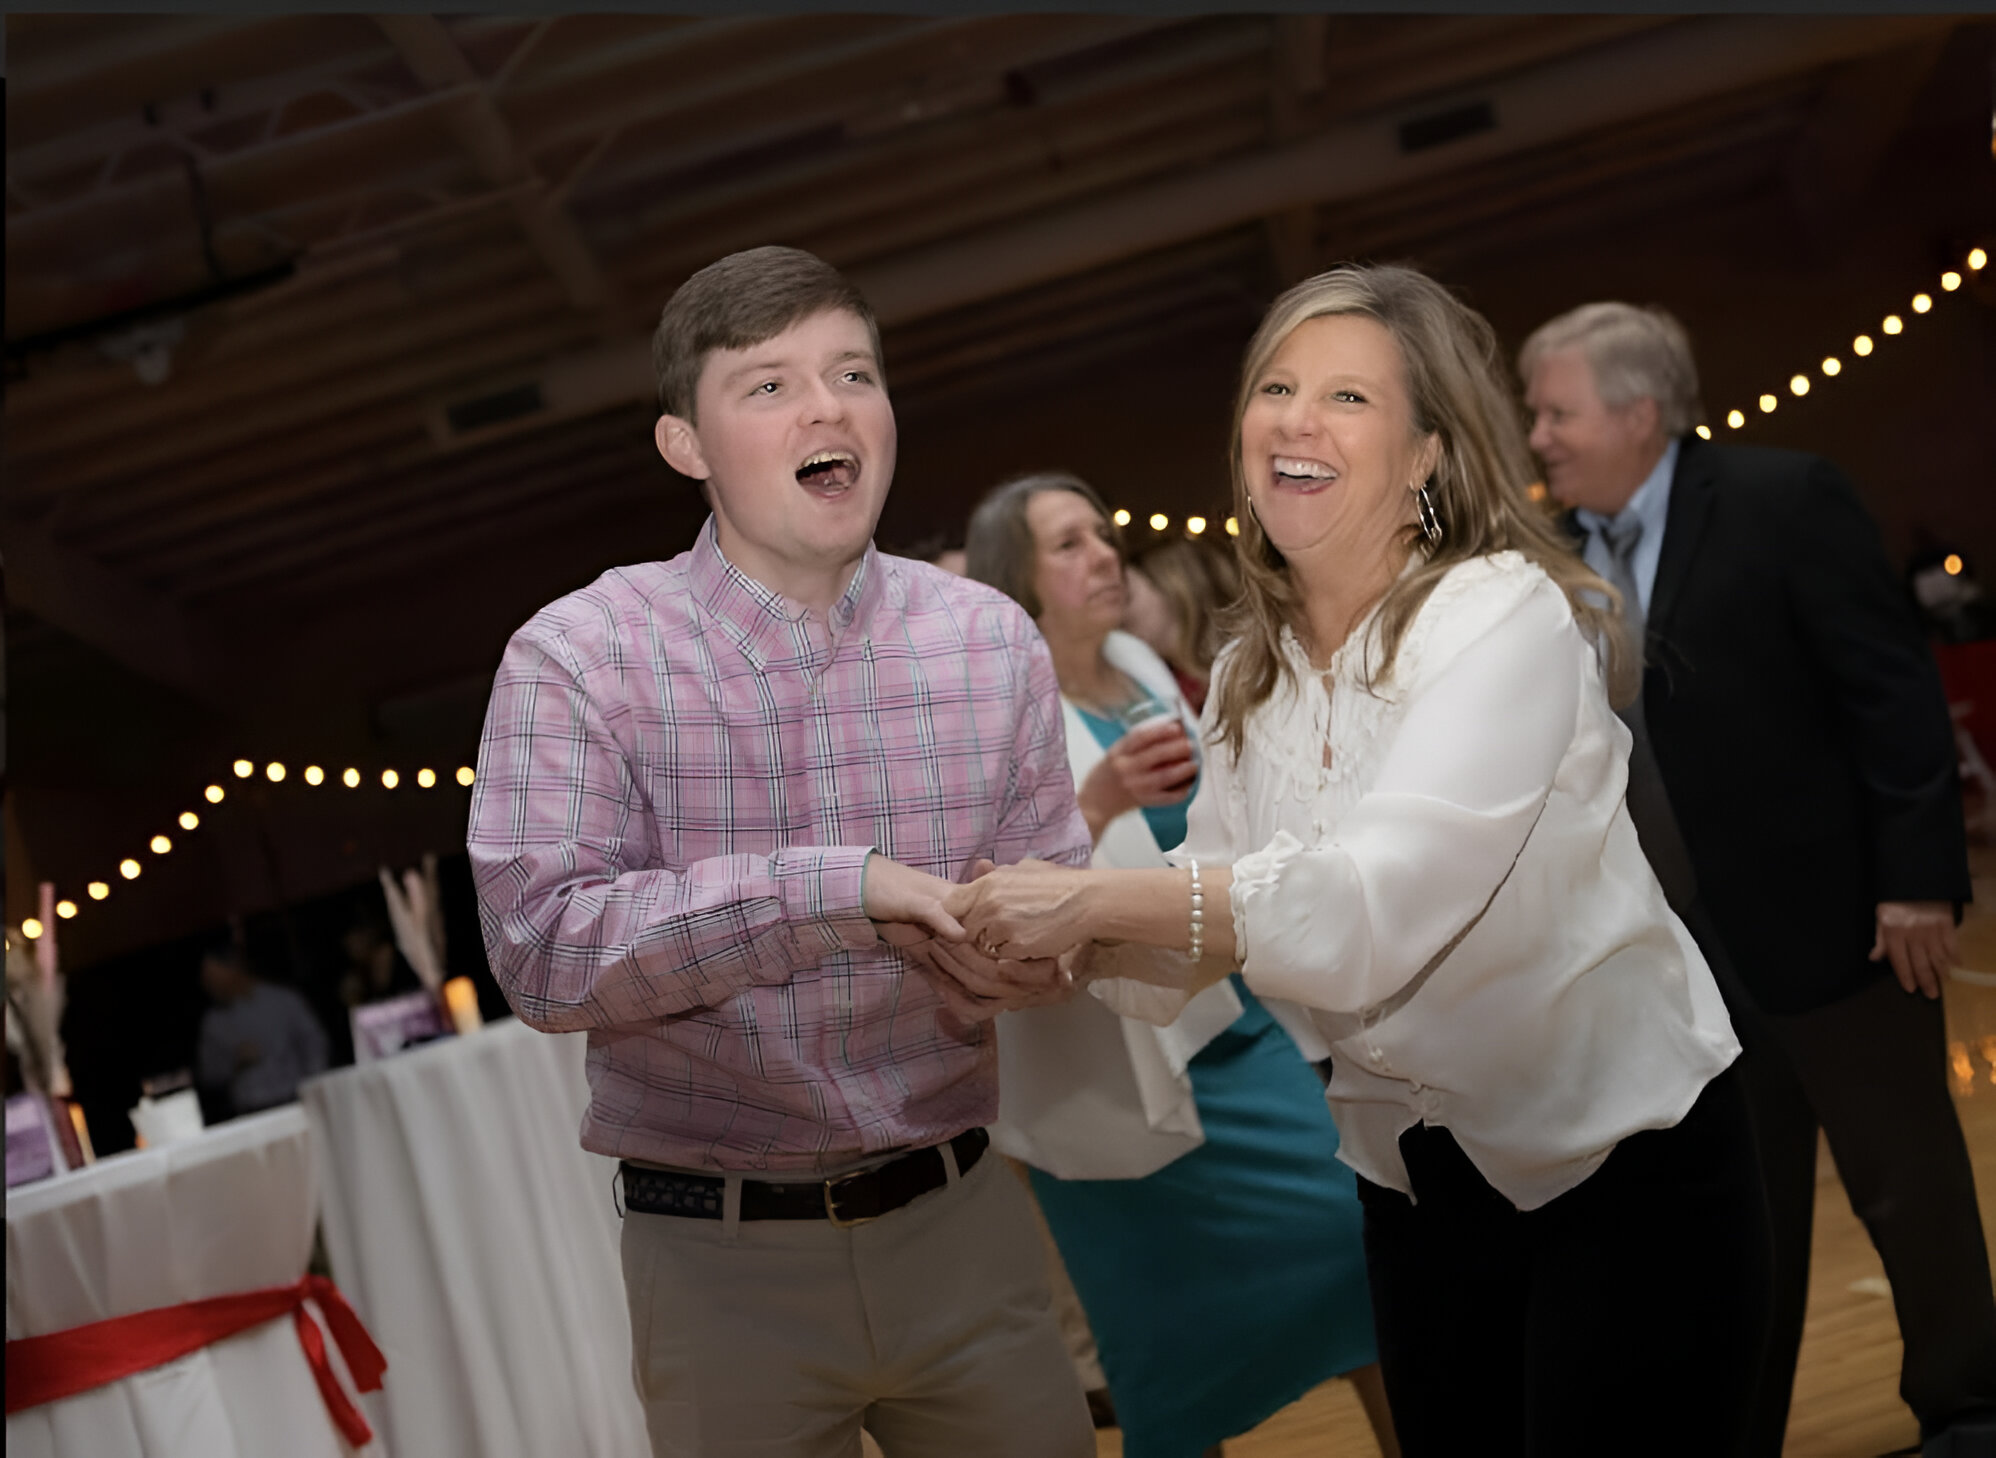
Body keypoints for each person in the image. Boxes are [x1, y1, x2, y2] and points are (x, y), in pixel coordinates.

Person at [946, 263, 1773, 1457]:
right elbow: (1205, 933)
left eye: (1346, 398)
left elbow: (1372, 907)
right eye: (1275, 386)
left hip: (1624, 1158)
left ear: (1425, 456)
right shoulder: (1246, 674)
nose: (1293, 416)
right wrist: (1038, 956)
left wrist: (1083, 897)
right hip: (1417, 1187)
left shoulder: (1499, 617)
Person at [467, 246, 1095, 1458]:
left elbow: (1051, 900)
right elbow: (543, 952)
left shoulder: (988, 642)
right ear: (683, 446)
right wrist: (829, 892)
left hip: (962, 1221)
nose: (827, 407)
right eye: (768, 386)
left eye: (853, 372)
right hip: (717, 1262)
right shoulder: (579, 658)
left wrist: (1031, 959)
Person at [1520, 301, 1996, 1458]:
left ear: (1638, 412)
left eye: (1553, 410)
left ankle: (1969, 1408)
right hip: (1677, 961)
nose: (1535, 435)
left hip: (1840, 928)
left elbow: (1887, 696)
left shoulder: (1783, 498)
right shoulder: (1560, 565)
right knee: (1741, 1218)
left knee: (1905, 1180)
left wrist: (1917, 884)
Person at [965, 472, 1394, 1458]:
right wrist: (1101, 800)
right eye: (1068, 544)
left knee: (1359, 1254)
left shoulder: (1138, 664)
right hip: (1109, 1074)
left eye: (1100, 534)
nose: (1104, 554)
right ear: (1016, 581)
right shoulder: (998, 716)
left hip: (1233, 1026)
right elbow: (987, 889)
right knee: (1164, 1351)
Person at [195, 944, 329, 1116]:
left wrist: (313, 1087)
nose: (209, 986)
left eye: (213, 978)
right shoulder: (213, 1022)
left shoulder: (282, 1000)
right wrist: (234, 1062)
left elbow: (314, 1043)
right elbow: (208, 1074)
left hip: (292, 1100)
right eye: (206, 980)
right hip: (249, 1110)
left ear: (234, 968)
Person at [1123, 536, 1242, 714]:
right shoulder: (1161, 689)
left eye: (1127, 597)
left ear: (1174, 588)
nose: (1117, 611)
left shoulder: (1250, 670)